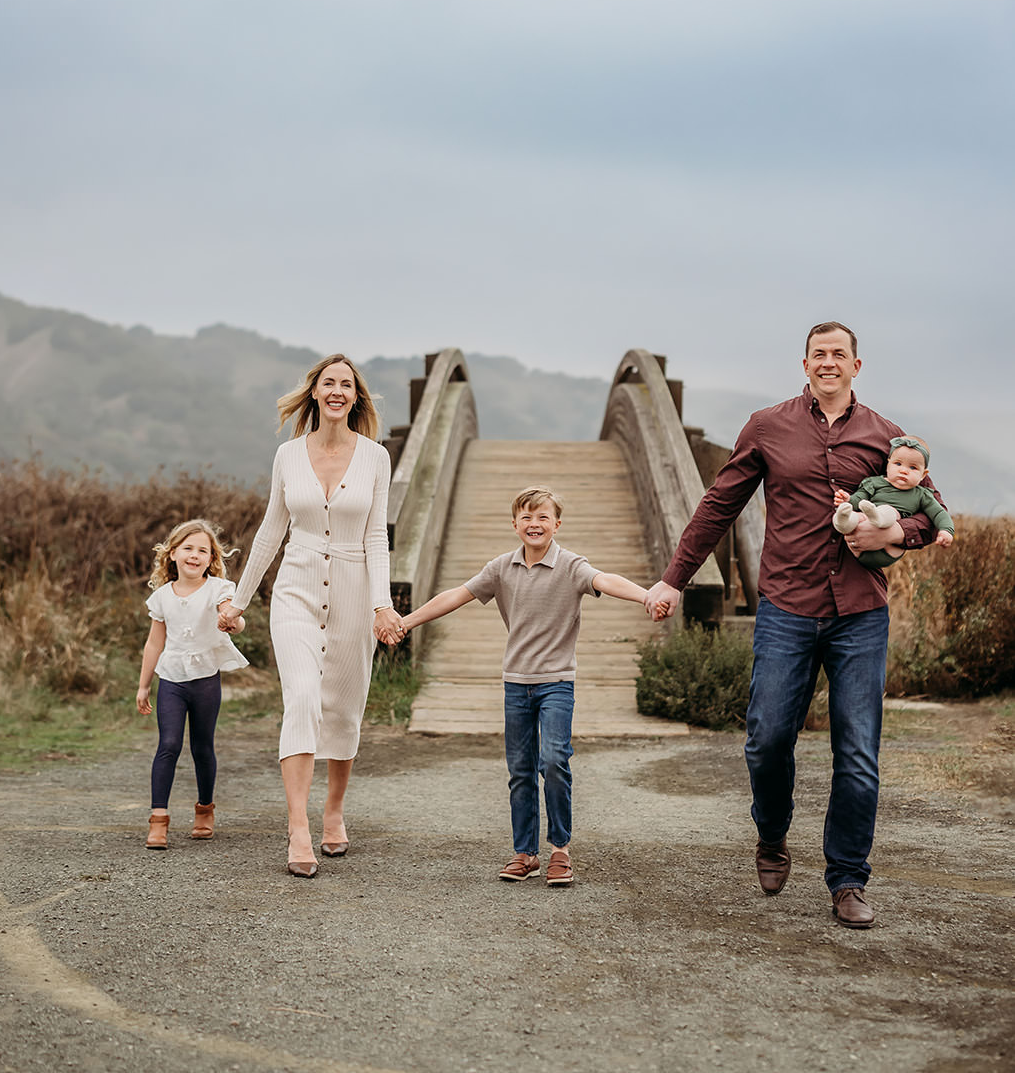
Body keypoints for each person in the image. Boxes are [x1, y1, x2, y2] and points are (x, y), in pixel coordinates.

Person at [644, 322, 950, 929]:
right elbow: (718, 506)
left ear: (857, 367)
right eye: (819, 355)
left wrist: (897, 532)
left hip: (860, 613)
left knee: (858, 753)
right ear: (804, 364)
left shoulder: (887, 436)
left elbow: (932, 509)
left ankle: (848, 880)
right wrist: (673, 579)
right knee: (766, 740)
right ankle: (772, 833)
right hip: (786, 606)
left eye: (840, 355)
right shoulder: (768, 426)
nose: (829, 362)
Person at [393, 485, 651, 887]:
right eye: (527, 517)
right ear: (515, 525)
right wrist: (407, 622)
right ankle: (525, 853)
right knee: (520, 770)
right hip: (517, 684)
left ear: (556, 524)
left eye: (543, 516)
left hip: (557, 683)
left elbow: (607, 580)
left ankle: (560, 851)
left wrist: (647, 596)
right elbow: (456, 595)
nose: (535, 524)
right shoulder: (501, 568)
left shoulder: (570, 565)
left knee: (553, 761)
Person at [218, 354, 402, 878]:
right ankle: (298, 828)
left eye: (347, 384)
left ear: (356, 397)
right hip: (295, 588)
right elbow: (270, 531)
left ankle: (334, 811)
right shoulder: (287, 456)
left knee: (344, 707)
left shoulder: (375, 457)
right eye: (329, 383)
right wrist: (239, 599)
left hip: (354, 588)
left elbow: (375, 537)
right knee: (301, 698)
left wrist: (381, 604)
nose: (338, 391)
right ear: (315, 393)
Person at [137, 518, 248, 849]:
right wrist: (144, 685)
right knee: (168, 745)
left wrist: (233, 621)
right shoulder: (161, 597)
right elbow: (154, 644)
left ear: (211, 558)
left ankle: (204, 811)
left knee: (202, 747)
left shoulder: (218, 590)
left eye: (203, 550)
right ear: (172, 554)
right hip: (171, 680)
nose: (195, 555)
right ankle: (158, 820)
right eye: (188, 548)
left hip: (205, 681)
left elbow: (233, 616)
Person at [833, 436, 955, 567]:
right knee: (858, 516)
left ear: (923, 475)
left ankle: (879, 516)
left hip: (889, 549)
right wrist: (848, 500)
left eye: (913, 467)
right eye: (898, 464)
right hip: (857, 548)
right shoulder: (874, 483)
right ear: (888, 464)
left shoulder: (922, 494)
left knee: (890, 511)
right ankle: (843, 521)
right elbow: (859, 499)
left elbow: (939, 513)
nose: (903, 470)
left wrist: (946, 530)